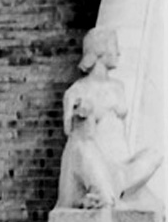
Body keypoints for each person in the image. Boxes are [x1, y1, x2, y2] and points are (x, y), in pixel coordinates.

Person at [57, 27, 162, 209]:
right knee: (85, 147)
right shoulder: (77, 91)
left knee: (154, 155)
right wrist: (80, 114)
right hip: (93, 165)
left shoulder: (118, 87)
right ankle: (106, 191)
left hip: (121, 168)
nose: (119, 53)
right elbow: (71, 134)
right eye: (114, 47)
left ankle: (117, 186)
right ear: (99, 50)